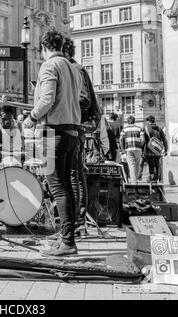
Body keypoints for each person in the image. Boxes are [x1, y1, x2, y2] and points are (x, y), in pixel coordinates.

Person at [24, 29, 82, 256]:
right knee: (66, 186)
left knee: (57, 186)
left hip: (54, 132)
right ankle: (67, 236)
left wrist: (31, 118)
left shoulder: (49, 66)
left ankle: (67, 242)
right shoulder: (71, 67)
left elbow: (47, 99)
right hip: (71, 132)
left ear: (43, 47)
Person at [62, 36, 101, 230]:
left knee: (73, 174)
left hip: (76, 126)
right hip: (75, 125)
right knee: (73, 174)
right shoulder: (72, 69)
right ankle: (77, 218)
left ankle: (78, 219)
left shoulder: (75, 69)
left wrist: (61, 106)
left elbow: (83, 99)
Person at [120, 116, 145, 183]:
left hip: (129, 149)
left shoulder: (124, 129)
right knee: (137, 164)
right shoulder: (139, 128)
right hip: (138, 148)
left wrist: (122, 149)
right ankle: (135, 180)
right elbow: (142, 140)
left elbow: (121, 139)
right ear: (134, 121)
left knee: (131, 165)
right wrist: (140, 146)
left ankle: (134, 182)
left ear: (127, 121)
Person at [143, 115, 167, 183]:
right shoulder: (159, 128)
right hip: (157, 150)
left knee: (151, 166)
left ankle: (152, 179)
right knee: (157, 165)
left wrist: (142, 151)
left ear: (148, 121)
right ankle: (156, 179)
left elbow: (143, 141)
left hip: (149, 151)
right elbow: (164, 140)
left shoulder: (146, 128)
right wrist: (166, 149)